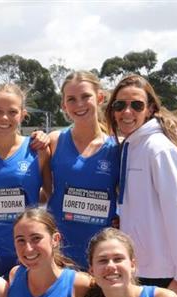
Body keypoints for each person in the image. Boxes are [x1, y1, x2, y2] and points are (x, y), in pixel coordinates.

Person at [106, 74, 177, 297]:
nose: (127, 112)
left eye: (136, 105)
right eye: (120, 105)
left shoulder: (158, 149)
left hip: (161, 275)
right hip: (138, 269)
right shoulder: (132, 145)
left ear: (149, 109)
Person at [0, 83, 49, 278]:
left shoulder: (38, 151)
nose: (4, 118)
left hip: (27, 253)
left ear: (23, 115)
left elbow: (51, 195)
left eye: (12, 112)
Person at [47, 71, 120, 269]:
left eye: (86, 96)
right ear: (63, 105)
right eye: (71, 99)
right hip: (60, 252)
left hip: (102, 254)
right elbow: (42, 190)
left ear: (100, 97)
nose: (79, 104)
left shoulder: (117, 148)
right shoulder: (53, 141)